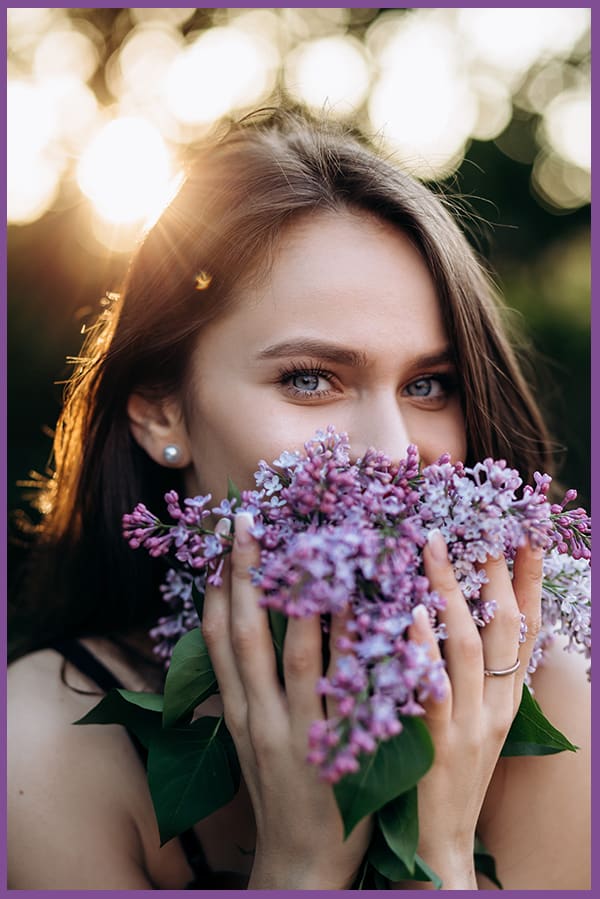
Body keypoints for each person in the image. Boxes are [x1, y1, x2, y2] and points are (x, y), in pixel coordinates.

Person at [8, 107, 590, 890]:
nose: (389, 451)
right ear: (160, 411)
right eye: (309, 378)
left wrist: (438, 855)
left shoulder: (538, 685)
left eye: (429, 384)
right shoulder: (42, 744)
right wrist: (301, 865)